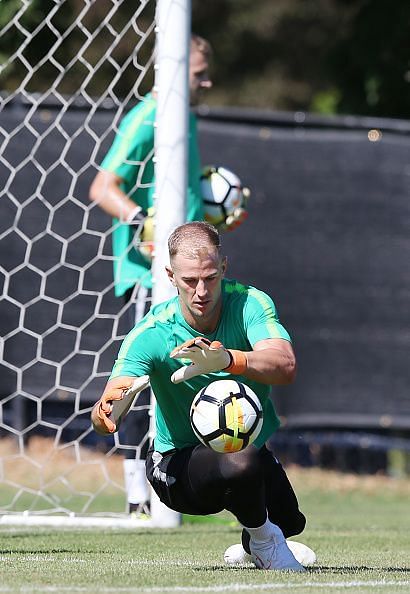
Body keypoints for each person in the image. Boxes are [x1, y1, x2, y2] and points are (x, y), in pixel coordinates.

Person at [91, 221, 316, 571]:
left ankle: (252, 542)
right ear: (169, 275)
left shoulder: (249, 305)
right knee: (241, 462)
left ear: (224, 268)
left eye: (210, 278)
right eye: (190, 280)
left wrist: (229, 359)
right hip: (175, 468)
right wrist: (109, 411)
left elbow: (285, 365)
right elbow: (104, 417)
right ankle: (264, 543)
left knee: (292, 522)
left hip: (246, 457)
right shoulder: (151, 333)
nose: (201, 291)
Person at [89, 35, 223, 517]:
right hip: (150, 274)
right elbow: (103, 186)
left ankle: (170, 490)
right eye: (198, 73)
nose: (206, 82)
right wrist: (139, 223)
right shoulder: (149, 116)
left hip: (177, 272)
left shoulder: (182, 116)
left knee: (183, 375)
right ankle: (137, 499)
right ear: (171, 71)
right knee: (142, 379)